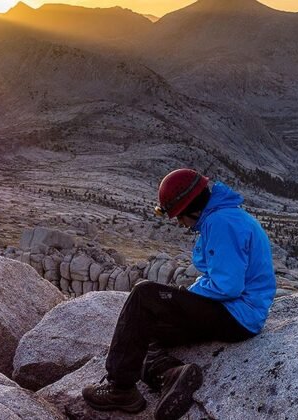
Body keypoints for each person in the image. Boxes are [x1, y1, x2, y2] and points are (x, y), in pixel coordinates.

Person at [81, 168, 276, 420]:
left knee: (144, 294)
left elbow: (228, 286)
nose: (179, 223)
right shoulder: (222, 217)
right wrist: (182, 302)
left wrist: (184, 296)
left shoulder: (221, 223)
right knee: (142, 330)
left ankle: (120, 388)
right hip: (238, 313)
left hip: (237, 315)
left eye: (178, 216)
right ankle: (169, 374)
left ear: (190, 207)